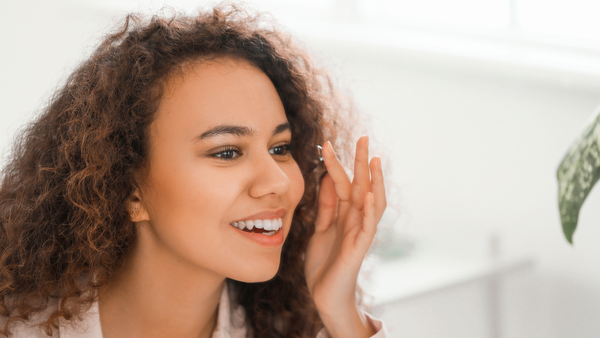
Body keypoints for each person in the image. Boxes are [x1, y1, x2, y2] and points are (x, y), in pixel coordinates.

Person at [0, 4, 388, 338]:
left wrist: (340, 314)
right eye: (227, 152)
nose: (279, 181)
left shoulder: (291, 326)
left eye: (280, 148)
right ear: (129, 191)